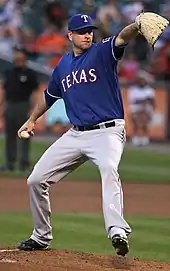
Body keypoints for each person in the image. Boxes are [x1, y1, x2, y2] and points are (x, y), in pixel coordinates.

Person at [17, 13, 141, 256]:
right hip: (75, 135)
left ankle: (117, 230)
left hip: (108, 132)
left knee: (108, 168)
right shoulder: (63, 65)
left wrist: (136, 26)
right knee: (35, 179)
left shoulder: (102, 52)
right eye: (82, 31)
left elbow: (123, 37)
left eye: (90, 30)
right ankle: (41, 236)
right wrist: (32, 120)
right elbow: (49, 97)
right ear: (70, 35)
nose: (88, 34)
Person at [0, 45, 39, 171]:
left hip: (24, 105)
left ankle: (24, 163)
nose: (17, 56)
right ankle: (10, 163)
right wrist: (2, 106)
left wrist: (32, 110)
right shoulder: (9, 72)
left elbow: (35, 92)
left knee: (25, 135)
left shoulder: (30, 73)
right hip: (10, 105)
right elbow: (5, 91)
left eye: (19, 54)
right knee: (9, 135)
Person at [128, 70, 155, 146]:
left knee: (144, 119)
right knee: (136, 120)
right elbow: (133, 101)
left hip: (145, 108)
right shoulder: (133, 89)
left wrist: (144, 102)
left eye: (143, 80)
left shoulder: (149, 90)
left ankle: (145, 137)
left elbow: (151, 101)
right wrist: (144, 100)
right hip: (136, 108)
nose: (141, 81)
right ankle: (135, 137)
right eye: (140, 80)